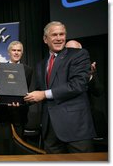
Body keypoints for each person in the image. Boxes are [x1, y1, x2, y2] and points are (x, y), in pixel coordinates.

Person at [24, 21, 96, 154]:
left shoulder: (79, 55)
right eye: (54, 35)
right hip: (50, 131)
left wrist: (44, 94)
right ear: (45, 39)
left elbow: (78, 85)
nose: (59, 38)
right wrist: (26, 99)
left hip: (75, 129)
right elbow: (40, 93)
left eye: (61, 34)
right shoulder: (41, 64)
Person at [0, 41, 33, 139]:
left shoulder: (28, 70)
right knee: (1, 147)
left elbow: (29, 90)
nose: (16, 52)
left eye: (19, 50)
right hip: (2, 114)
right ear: (9, 52)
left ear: (22, 53)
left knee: (18, 147)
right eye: (13, 50)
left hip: (19, 115)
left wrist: (23, 101)